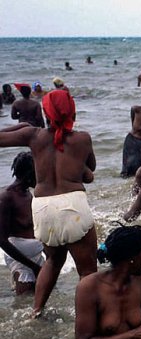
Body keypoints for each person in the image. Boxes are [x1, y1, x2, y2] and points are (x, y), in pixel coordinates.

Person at [0, 89, 98, 318]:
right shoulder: (83, 138)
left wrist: (22, 127)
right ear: (72, 110)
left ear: (45, 111)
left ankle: (36, 311)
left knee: (53, 261)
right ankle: (89, 316)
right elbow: (90, 168)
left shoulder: (34, 136)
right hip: (72, 203)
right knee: (88, 270)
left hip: (42, 206)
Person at [0, 152, 44, 295]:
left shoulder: (28, 194)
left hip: (36, 258)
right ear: (29, 174)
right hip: (20, 261)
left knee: (43, 299)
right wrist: (32, 267)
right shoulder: (6, 197)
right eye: (38, 172)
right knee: (24, 303)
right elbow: (2, 240)